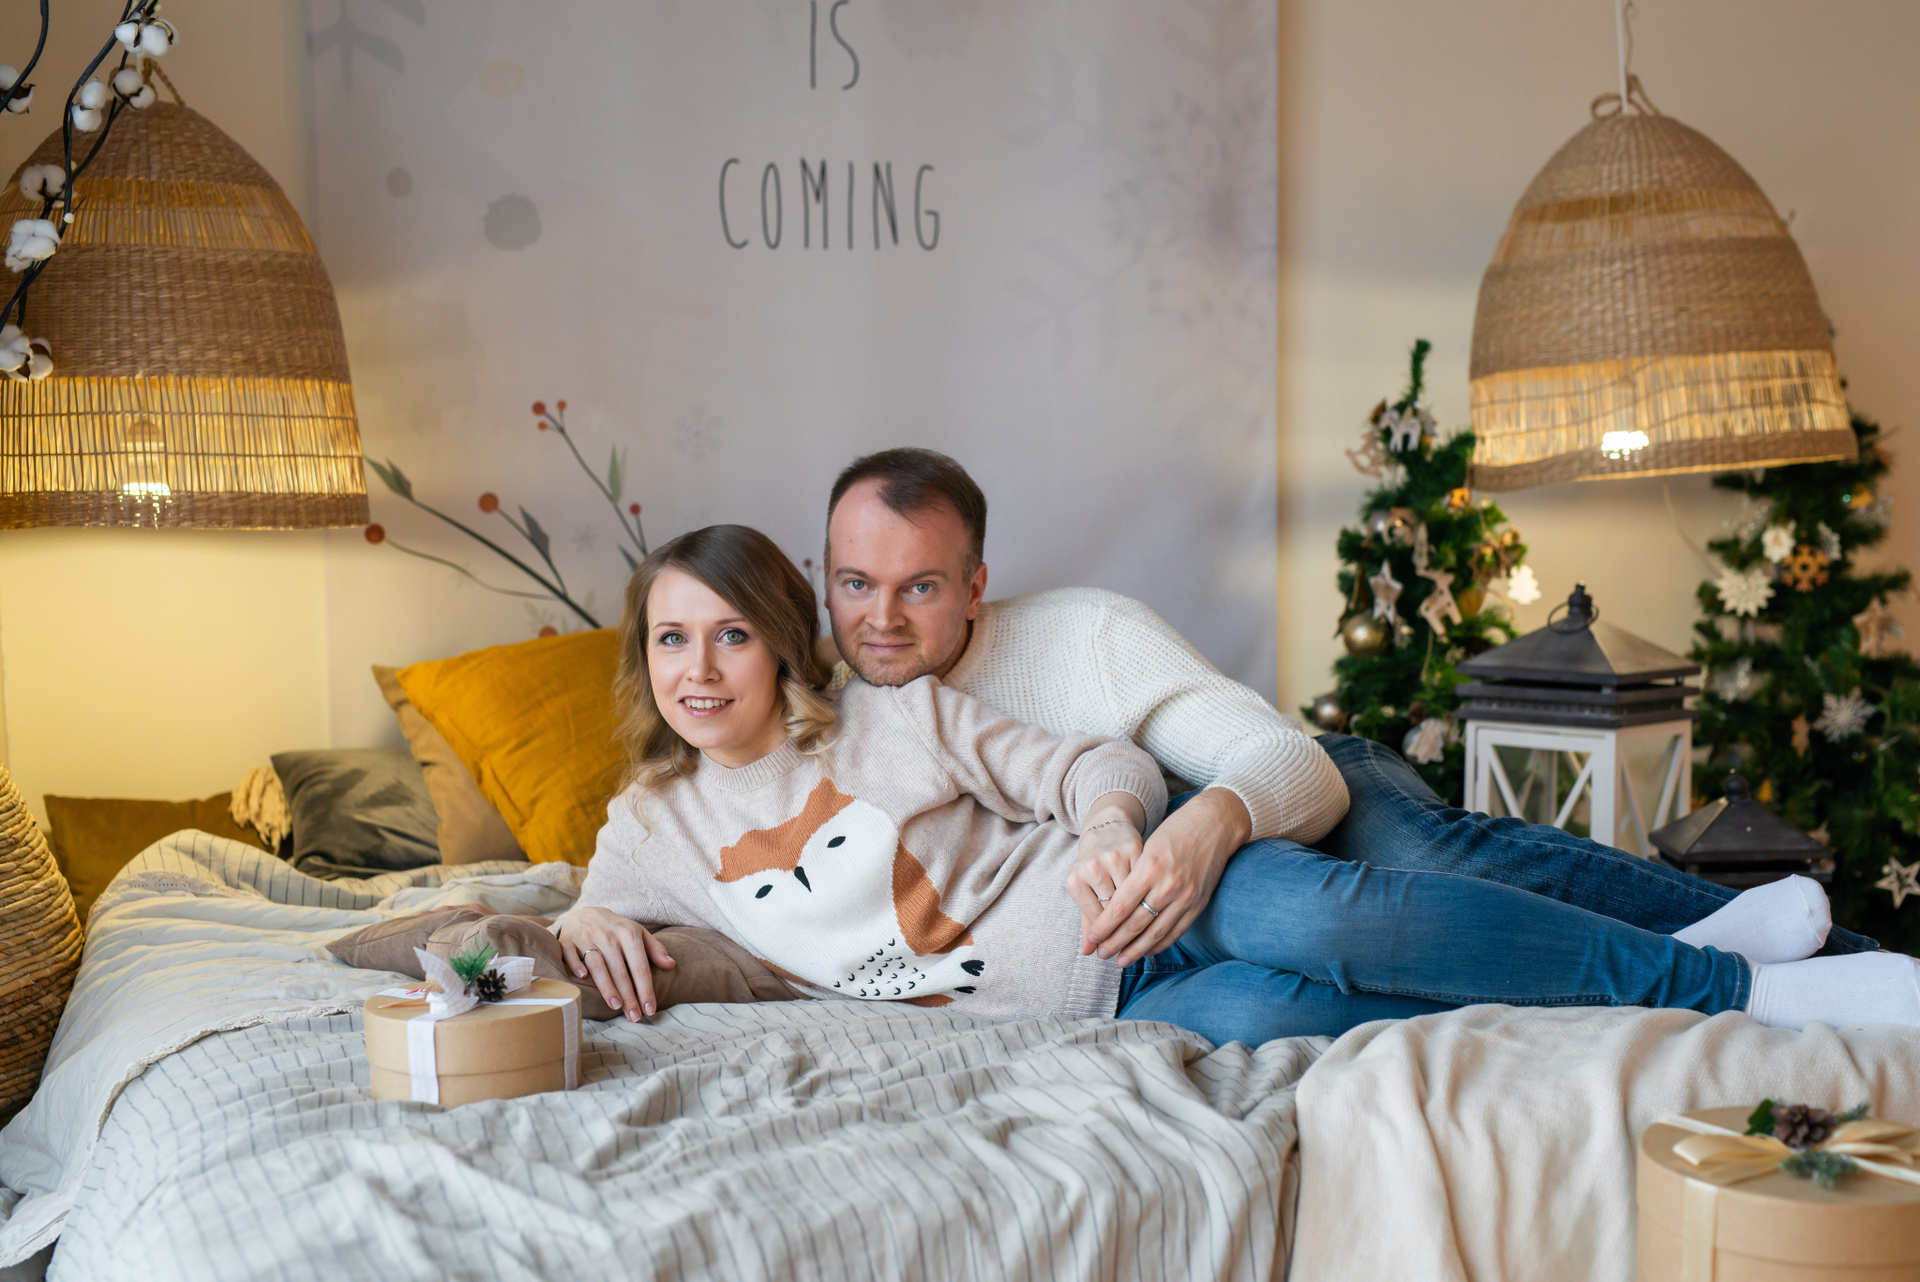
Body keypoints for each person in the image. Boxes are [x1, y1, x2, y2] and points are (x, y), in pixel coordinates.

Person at [554, 523, 1919, 1046]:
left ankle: (1735, 985)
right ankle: (1670, 968)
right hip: (1114, 1006)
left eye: (729, 634)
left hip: (1181, 879)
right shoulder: (647, 830)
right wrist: (579, 920)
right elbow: (541, 942)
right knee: (1299, 1016)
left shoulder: (894, 716)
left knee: (1332, 910)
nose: (699, 669)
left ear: (782, 639)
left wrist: (1113, 828)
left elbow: (1104, 758)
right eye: (670, 639)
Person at [813, 447, 1876, 972]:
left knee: (1433, 859)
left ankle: (1846, 959)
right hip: (1221, 901)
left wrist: (1206, 820)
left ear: (976, 586)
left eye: (920, 586)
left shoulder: (1084, 636)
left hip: (1301, 792)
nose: (883, 619)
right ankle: (1721, 954)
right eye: (856, 583)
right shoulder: (816, 705)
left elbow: (1293, 766)